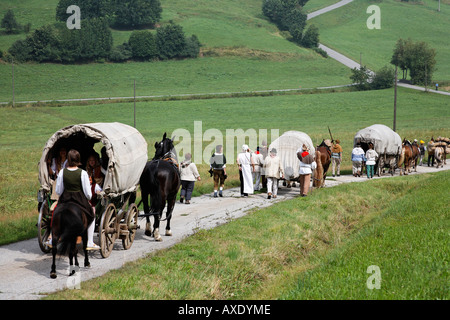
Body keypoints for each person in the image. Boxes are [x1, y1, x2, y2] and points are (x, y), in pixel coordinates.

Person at [54, 149, 98, 250]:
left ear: (68, 160)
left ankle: (53, 236)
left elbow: (58, 191)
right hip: (79, 200)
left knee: (55, 212)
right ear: (78, 160)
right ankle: (90, 242)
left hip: (65, 199)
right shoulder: (82, 173)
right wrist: (88, 198)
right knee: (93, 212)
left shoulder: (62, 172)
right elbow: (88, 193)